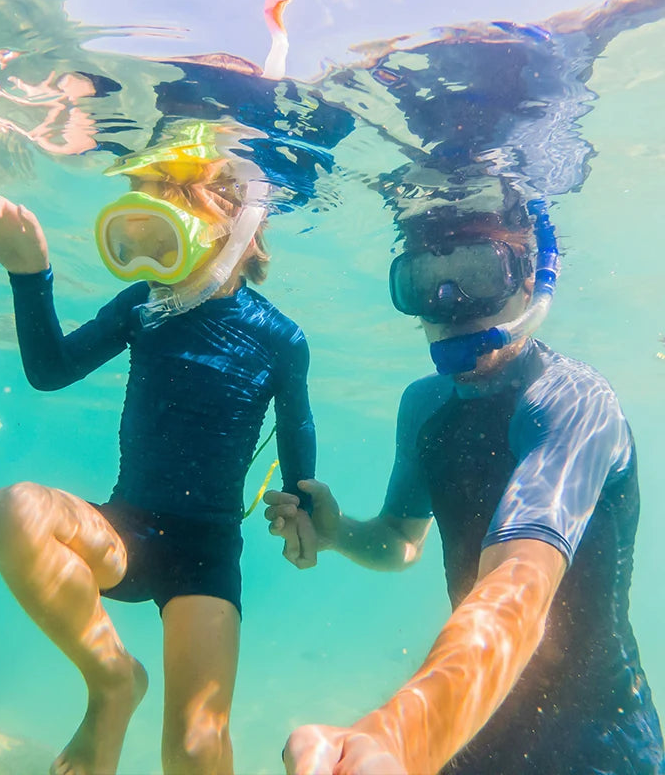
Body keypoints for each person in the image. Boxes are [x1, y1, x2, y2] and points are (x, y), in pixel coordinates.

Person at [0, 121, 316, 775]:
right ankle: (113, 681)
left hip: (204, 556)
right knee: (12, 511)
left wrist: (302, 505)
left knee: (197, 751)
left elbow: (297, 433)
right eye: (138, 221)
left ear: (236, 223)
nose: (145, 244)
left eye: (165, 215)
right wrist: (31, 275)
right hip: (125, 532)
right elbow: (51, 369)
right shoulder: (143, 306)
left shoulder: (280, 336)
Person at [265, 200, 664, 774]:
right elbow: (402, 539)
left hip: (597, 742)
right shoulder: (424, 407)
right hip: (471, 729)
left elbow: (518, 586)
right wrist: (340, 533)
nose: (450, 305)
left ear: (531, 280)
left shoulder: (574, 403)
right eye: (425, 281)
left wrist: (397, 738)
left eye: (479, 274)